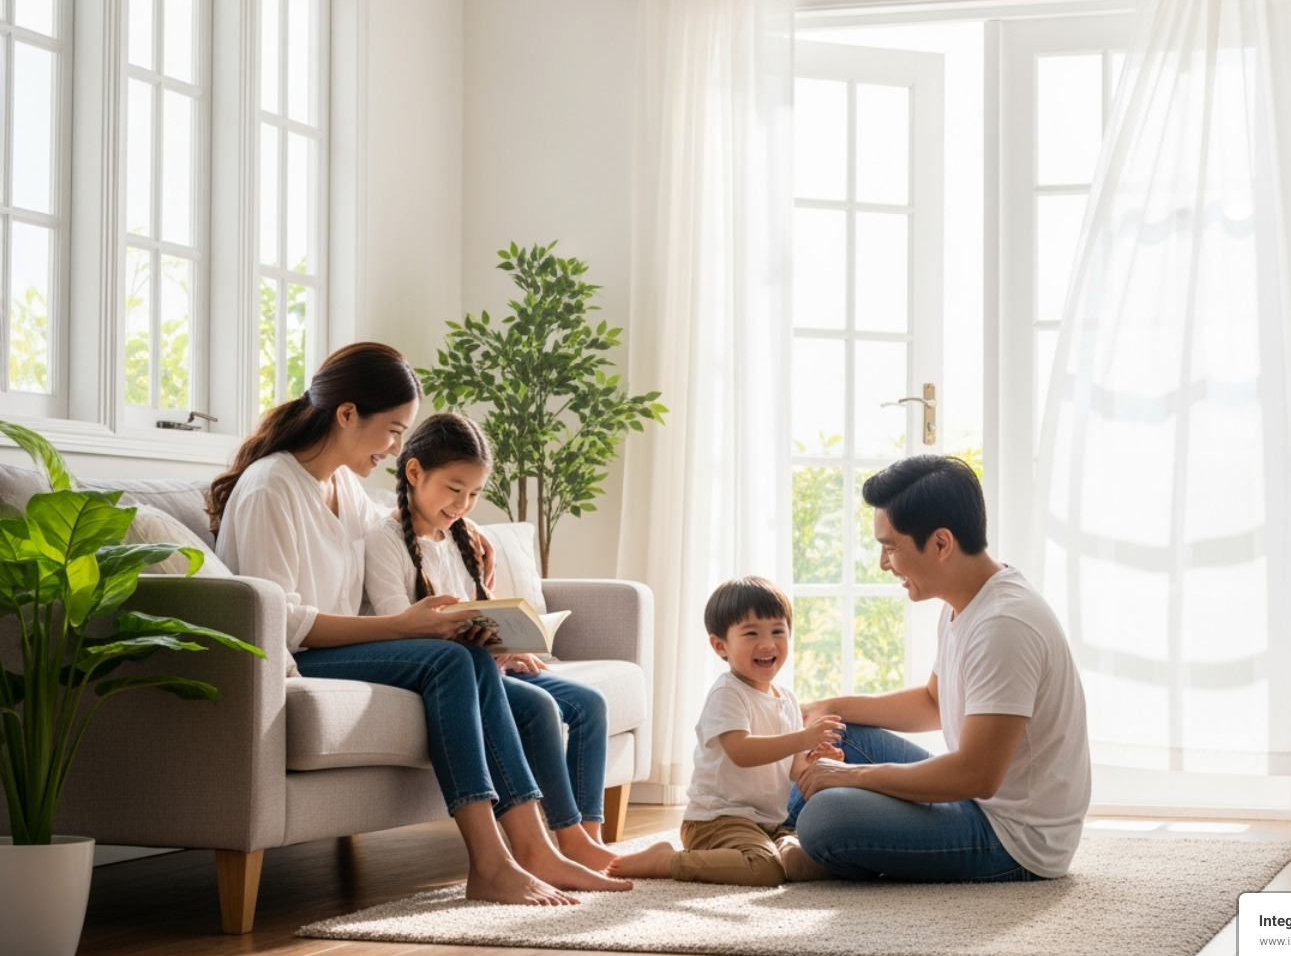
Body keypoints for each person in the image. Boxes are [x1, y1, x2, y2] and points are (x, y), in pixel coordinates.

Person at [208, 341, 629, 906]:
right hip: (295, 656)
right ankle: (491, 861)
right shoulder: (271, 488)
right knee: (451, 659)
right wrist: (403, 627)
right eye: (391, 431)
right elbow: (280, 621)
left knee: (526, 702)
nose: (396, 447)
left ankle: (540, 851)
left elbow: (393, 518)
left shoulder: (340, 485)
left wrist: (457, 525)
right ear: (347, 413)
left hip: (328, 648)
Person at [792, 454, 1090, 882]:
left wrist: (852, 777)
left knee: (826, 818)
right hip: (977, 801)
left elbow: (977, 775)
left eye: (890, 546)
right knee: (839, 729)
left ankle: (787, 831)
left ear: (941, 543)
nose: (883, 563)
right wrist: (829, 706)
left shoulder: (1004, 624)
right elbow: (933, 702)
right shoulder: (967, 599)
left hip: (1013, 837)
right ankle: (768, 828)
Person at [363, 411, 618, 872]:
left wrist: (511, 645)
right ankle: (566, 841)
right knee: (540, 709)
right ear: (414, 471)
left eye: (475, 494)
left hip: (490, 666)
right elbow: (395, 624)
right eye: (454, 489)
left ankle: (587, 837)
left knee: (589, 703)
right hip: (452, 672)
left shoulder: (465, 540)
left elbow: (484, 613)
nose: (463, 504)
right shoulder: (385, 539)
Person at [610, 577, 843, 886]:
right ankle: (667, 861)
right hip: (717, 819)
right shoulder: (727, 693)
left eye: (778, 631)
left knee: (827, 854)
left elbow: (794, 769)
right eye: (751, 634)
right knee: (764, 869)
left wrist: (818, 762)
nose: (767, 644)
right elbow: (741, 751)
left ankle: (784, 853)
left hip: (767, 823)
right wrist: (802, 738)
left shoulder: (787, 698)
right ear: (720, 645)